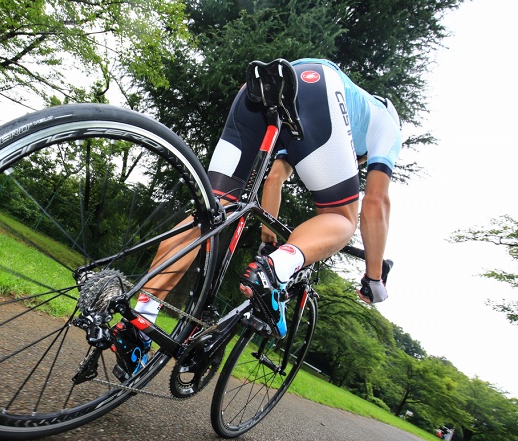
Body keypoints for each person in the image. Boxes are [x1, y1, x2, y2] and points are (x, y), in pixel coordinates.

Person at [114, 58, 401, 375]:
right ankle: (276, 270)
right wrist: (374, 277)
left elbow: (275, 178)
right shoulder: (388, 123)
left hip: (263, 86)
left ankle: (140, 323)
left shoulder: (352, 107)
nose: (356, 164)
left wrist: (268, 237)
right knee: (342, 217)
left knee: (214, 208)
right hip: (320, 88)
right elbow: (375, 202)